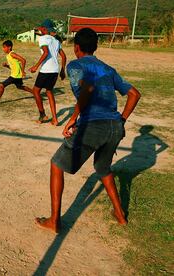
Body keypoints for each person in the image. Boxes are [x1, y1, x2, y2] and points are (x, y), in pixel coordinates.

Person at [35, 28, 141, 234]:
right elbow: (134, 94)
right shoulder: (108, 68)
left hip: (94, 125)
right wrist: (121, 120)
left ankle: (54, 221)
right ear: (96, 47)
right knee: (103, 169)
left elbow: (88, 90)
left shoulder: (76, 65)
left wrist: (73, 118)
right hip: (114, 127)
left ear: (76, 47)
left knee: (57, 165)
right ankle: (120, 215)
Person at [29, 19, 67, 126]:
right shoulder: (56, 41)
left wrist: (36, 66)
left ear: (44, 29)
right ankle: (55, 119)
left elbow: (45, 52)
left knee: (36, 91)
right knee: (49, 92)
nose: (39, 29)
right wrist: (62, 70)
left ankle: (42, 115)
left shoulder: (43, 38)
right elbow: (64, 56)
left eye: (41, 27)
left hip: (46, 70)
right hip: (55, 70)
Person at [0, 40, 33, 104]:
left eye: (4, 47)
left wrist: (23, 71)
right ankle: (35, 93)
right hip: (16, 75)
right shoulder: (8, 55)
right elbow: (13, 68)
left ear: (9, 47)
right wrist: (6, 66)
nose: (3, 49)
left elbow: (23, 60)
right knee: (20, 87)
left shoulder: (12, 54)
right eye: (3, 47)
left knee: (2, 85)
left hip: (15, 76)